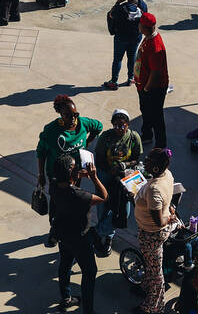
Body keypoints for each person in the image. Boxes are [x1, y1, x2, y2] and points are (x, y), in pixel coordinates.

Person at [37, 96, 104, 247]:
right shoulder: (51, 130)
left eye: (75, 114)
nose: (73, 119)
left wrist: (89, 141)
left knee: (72, 202)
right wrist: (40, 174)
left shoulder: (83, 123)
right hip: (56, 176)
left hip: (75, 174)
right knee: (56, 204)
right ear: (60, 114)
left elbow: (98, 126)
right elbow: (41, 152)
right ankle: (54, 232)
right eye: (68, 115)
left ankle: (69, 227)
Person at [50, 155, 105, 314]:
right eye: (75, 167)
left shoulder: (54, 185)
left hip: (63, 233)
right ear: (70, 174)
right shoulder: (78, 195)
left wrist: (76, 176)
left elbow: (68, 186)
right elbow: (103, 196)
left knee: (65, 264)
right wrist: (94, 178)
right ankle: (88, 311)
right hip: (80, 238)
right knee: (89, 273)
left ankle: (66, 298)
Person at [133, 148, 175, 314]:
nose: (145, 161)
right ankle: (146, 286)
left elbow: (159, 222)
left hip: (152, 234)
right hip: (150, 232)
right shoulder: (167, 174)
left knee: (155, 272)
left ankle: (153, 306)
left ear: (156, 168)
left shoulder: (154, 189)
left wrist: (170, 218)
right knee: (150, 264)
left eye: (149, 160)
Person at [94, 108, 141, 238]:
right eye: (116, 125)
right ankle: (107, 237)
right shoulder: (106, 137)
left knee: (123, 210)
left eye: (122, 125)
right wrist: (112, 170)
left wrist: (124, 165)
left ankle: (99, 231)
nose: (119, 128)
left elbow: (136, 159)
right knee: (103, 206)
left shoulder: (133, 137)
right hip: (106, 175)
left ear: (128, 124)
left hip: (126, 176)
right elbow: (98, 159)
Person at [136, 12, 170, 149]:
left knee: (156, 116)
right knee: (146, 111)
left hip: (153, 89)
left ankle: (161, 145)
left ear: (144, 27)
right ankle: (147, 135)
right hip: (143, 86)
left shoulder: (155, 47)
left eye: (140, 24)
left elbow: (155, 74)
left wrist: (146, 89)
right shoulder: (148, 37)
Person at [104, 0, 147, 89]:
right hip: (136, 37)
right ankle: (131, 78)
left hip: (121, 38)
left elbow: (110, 14)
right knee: (132, 58)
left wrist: (118, 2)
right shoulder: (143, 5)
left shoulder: (121, 7)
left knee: (118, 59)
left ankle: (114, 81)